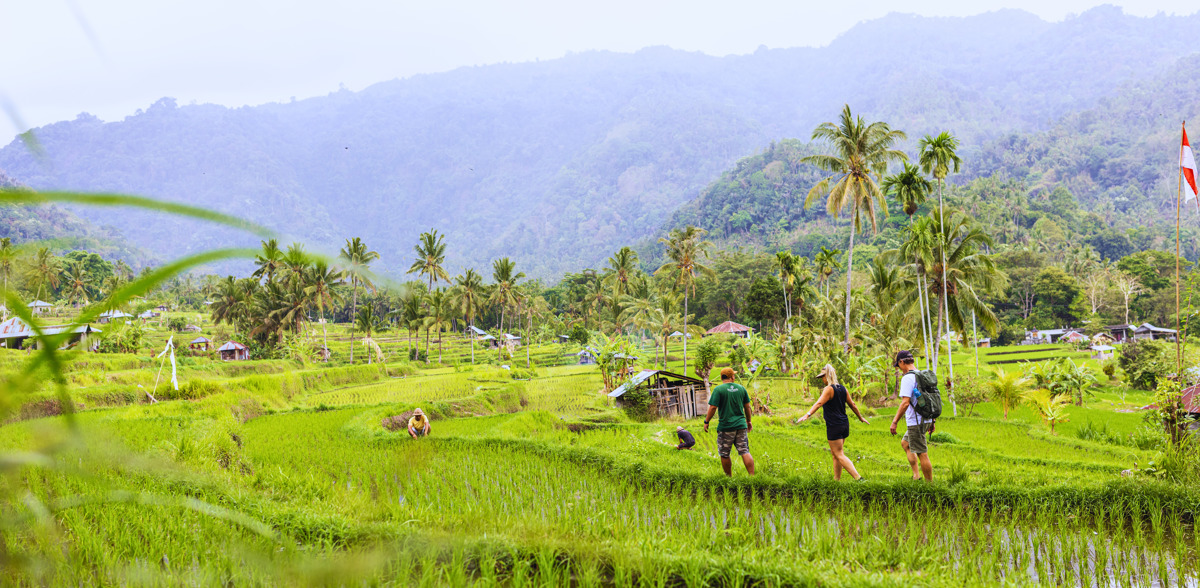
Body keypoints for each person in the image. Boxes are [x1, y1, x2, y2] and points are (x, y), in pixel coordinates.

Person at [796, 364, 869, 481]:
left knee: (839, 454)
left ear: (827, 376)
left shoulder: (829, 389)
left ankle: (859, 478)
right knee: (836, 454)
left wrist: (807, 415)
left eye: (823, 377)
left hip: (834, 425)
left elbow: (819, 403)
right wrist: (860, 417)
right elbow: (853, 405)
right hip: (844, 425)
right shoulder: (843, 388)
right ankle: (836, 480)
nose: (822, 380)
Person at [703, 367, 755, 476]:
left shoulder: (718, 390)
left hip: (726, 427)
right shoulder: (741, 388)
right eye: (733, 375)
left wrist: (706, 421)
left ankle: (729, 477)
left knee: (725, 454)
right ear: (731, 377)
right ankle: (752, 476)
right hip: (741, 425)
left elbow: (713, 408)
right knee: (744, 451)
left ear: (722, 377)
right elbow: (747, 407)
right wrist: (749, 421)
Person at [890, 350, 933, 481]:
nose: (899, 369)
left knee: (922, 453)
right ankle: (916, 476)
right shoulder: (922, 374)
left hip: (916, 421)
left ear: (902, 362)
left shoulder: (908, 378)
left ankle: (929, 485)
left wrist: (895, 421)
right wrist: (932, 421)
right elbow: (931, 398)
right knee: (905, 443)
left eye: (898, 365)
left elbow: (905, 403)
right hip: (926, 418)